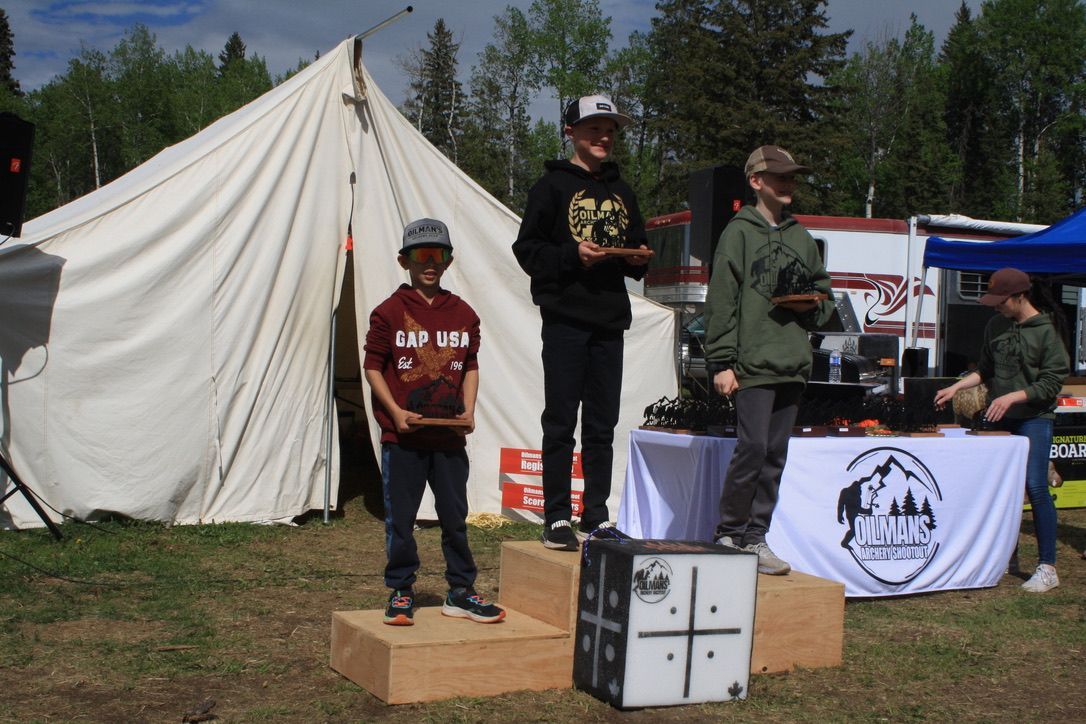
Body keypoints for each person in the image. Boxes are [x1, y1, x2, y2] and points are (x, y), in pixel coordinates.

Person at [512, 95, 651, 550]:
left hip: (610, 321)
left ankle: (595, 516)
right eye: (594, 129)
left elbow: (637, 252)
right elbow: (527, 251)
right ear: (570, 132)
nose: (604, 137)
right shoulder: (550, 188)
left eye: (610, 129)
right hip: (566, 320)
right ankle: (556, 517)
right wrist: (573, 254)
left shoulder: (622, 192)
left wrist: (638, 257)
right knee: (560, 420)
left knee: (602, 424)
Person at [364, 217, 505, 624]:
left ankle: (461, 591)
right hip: (403, 437)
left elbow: (471, 365)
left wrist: (469, 410)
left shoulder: (463, 313)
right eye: (421, 255)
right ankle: (401, 590)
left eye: (438, 254)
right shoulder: (389, 311)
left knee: (454, 518)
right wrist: (394, 412)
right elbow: (373, 367)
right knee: (401, 521)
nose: (430, 262)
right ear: (404, 260)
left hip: (448, 439)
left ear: (448, 261)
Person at [703, 145, 834, 575]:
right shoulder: (737, 233)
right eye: (780, 177)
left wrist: (812, 307)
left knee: (775, 451)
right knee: (753, 447)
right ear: (756, 181)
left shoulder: (801, 237)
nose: (789, 183)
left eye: (793, 177)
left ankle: (757, 538)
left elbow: (825, 297)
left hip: (792, 362)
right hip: (751, 362)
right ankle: (728, 534)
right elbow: (722, 301)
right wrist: (721, 362)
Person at [934, 267, 1070, 593]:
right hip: (1000, 418)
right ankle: (1003, 555)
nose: (996, 307)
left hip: (1034, 419)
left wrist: (1013, 396)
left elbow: (1052, 382)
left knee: (1035, 486)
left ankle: (1047, 567)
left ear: (1020, 296)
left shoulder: (1046, 332)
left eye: (1001, 301)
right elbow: (985, 370)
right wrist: (956, 387)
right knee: (1000, 488)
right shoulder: (996, 325)